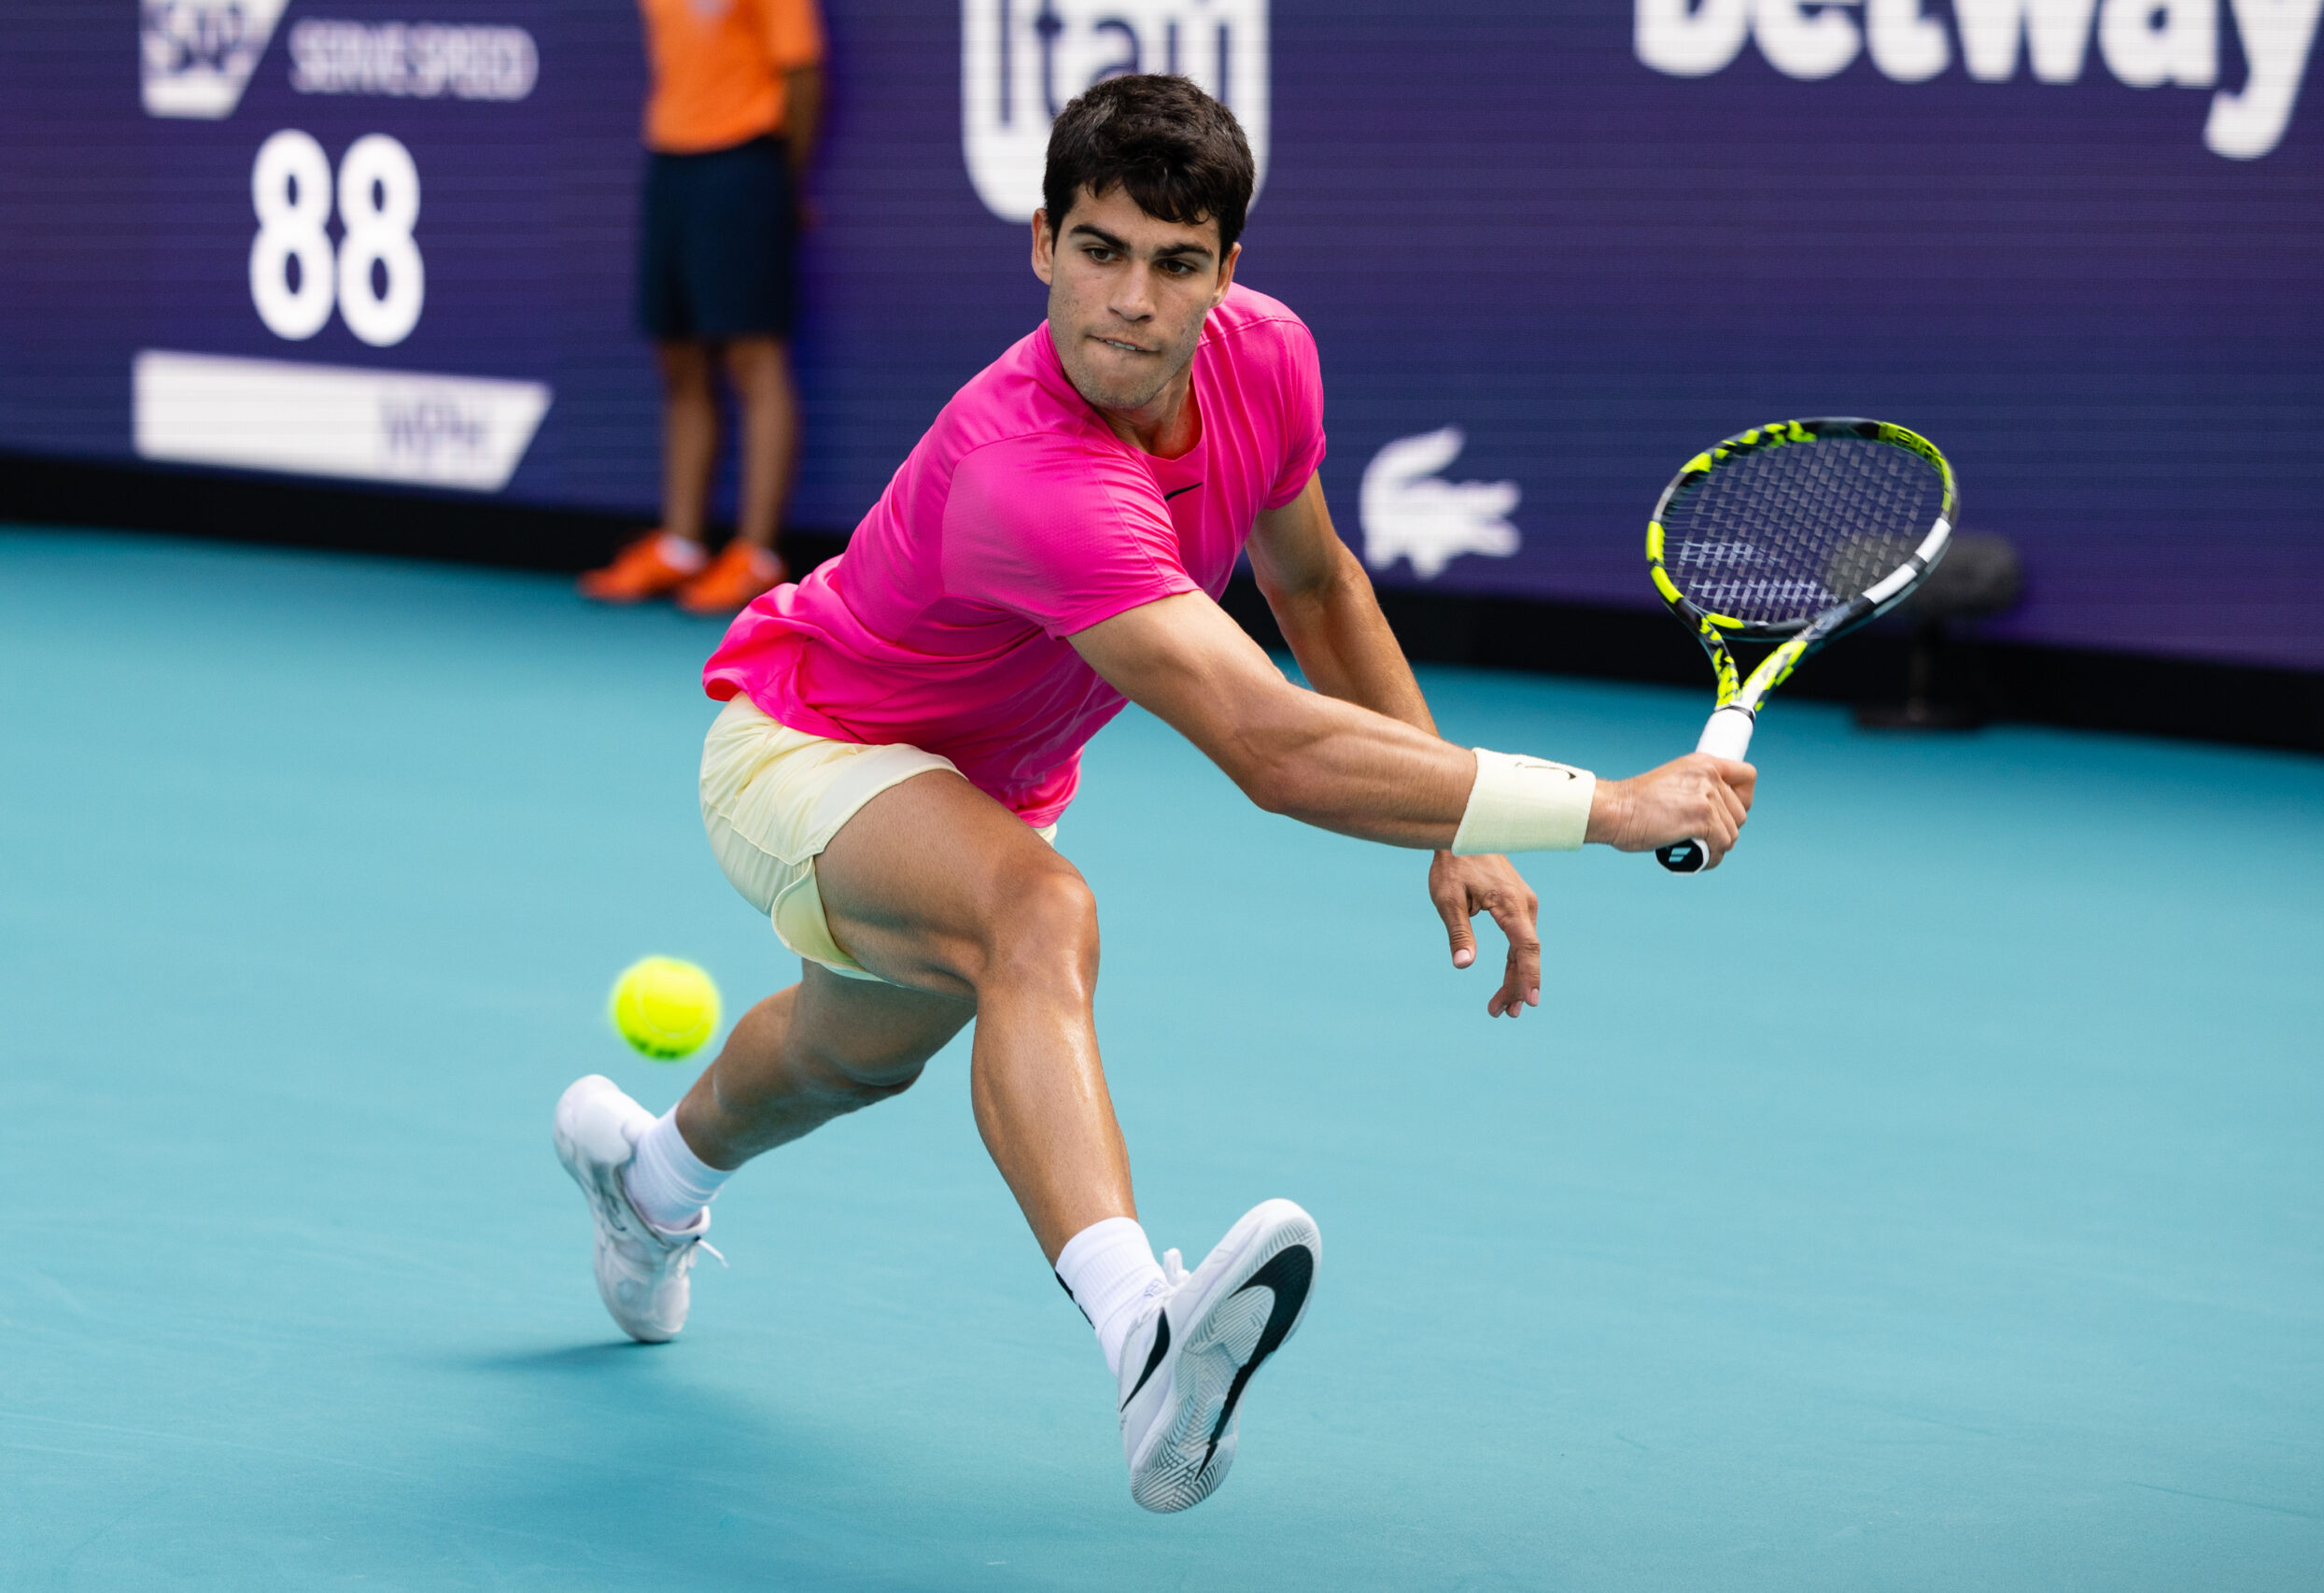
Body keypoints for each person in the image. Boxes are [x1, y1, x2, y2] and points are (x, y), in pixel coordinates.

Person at [554, 75, 1755, 1513]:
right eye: (1100, 251)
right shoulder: (1033, 475)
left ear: (1227, 274)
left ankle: (651, 1187)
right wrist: (1605, 805)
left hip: (988, 778)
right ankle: (1146, 1340)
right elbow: (1272, 745)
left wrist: (1461, 817)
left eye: (1177, 262)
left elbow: (1315, 583)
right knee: (1036, 915)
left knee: (848, 1054)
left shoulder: (1269, 360)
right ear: (1044, 243)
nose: (1132, 298)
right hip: (803, 742)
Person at [578, 0, 825, 614]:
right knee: (679, 358)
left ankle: (757, 556)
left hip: (744, 163)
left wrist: (780, 181)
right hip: (670, 162)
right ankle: (682, 544)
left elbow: (803, 74)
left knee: (753, 358)